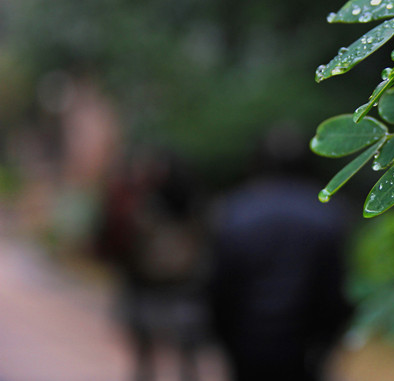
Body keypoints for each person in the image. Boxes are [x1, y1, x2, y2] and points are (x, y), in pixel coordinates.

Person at [209, 149, 352, 381]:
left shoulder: (232, 211)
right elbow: (334, 288)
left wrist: (223, 336)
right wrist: (328, 339)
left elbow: (220, 285)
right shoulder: (327, 213)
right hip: (306, 343)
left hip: (247, 339)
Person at [96, 149, 208, 381]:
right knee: (186, 353)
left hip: (145, 284)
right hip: (184, 286)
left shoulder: (142, 200)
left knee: (145, 354)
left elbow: (116, 238)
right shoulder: (195, 203)